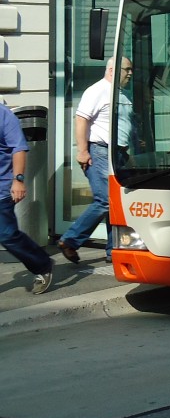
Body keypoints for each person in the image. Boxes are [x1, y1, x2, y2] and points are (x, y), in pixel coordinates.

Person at [60, 56, 132, 265]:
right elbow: (81, 119)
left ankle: (114, 251)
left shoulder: (123, 95)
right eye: (126, 69)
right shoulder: (97, 90)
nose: (129, 73)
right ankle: (70, 240)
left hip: (119, 154)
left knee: (115, 203)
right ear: (112, 70)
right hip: (100, 151)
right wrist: (82, 151)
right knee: (105, 200)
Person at [0, 102, 54, 293]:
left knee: (7, 235)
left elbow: (19, 149)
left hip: (2, 186)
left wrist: (18, 180)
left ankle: (42, 265)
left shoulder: (4, 115)